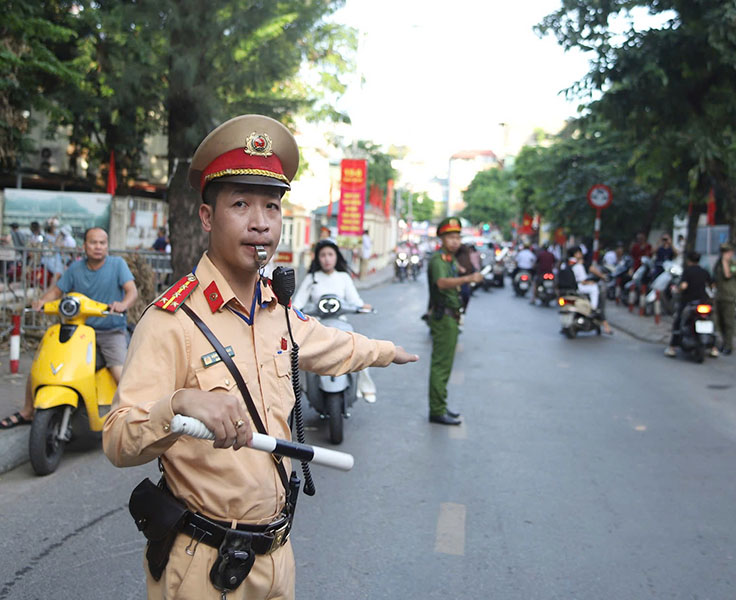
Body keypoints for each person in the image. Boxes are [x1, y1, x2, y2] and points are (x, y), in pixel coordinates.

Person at [102, 114, 418, 599]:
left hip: (276, 554)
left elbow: (330, 344)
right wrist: (181, 403)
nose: (260, 223)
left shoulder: (278, 310)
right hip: (203, 566)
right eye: (241, 204)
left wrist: (385, 351)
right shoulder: (173, 321)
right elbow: (119, 439)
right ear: (207, 217)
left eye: (272, 206)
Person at [0, 227, 138, 429]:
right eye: (93, 242)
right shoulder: (75, 268)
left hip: (110, 330)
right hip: (79, 330)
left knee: (119, 371)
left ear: (107, 245)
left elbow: (131, 291)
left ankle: (133, 415)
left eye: (102, 243)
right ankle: (28, 411)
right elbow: (56, 291)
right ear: (84, 246)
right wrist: (40, 302)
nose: (98, 247)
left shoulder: (118, 265)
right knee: (42, 366)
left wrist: (123, 304)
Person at [293, 238, 377, 402]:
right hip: (317, 325)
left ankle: (365, 387)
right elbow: (298, 303)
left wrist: (363, 306)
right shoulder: (312, 278)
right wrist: (292, 311)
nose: (326, 259)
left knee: (358, 347)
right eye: (322, 255)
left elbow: (355, 301)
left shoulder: (344, 277)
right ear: (317, 258)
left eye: (330, 254)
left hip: (341, 324)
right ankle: (301, 387)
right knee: (300, 353)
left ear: (336, 257)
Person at [427, 217, 482, 425]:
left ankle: (440, 406)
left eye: (458, 237)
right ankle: (437, 410)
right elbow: (441, 283)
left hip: (451, 316)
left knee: (445, 366)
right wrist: (467, 279)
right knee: (441, 366)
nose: (455, 241)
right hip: (444, 317)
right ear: (442, 238)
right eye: (450, 237)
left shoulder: (450, 259)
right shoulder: (438, 260)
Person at [665, 251, 716, 357]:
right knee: (710, 321)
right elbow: (712, 285)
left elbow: (683, 286)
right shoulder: (704, 271)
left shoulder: (687, 271)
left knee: (679, 321)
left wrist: (676, 289)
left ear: (689, 260)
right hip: (703, 302)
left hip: (689, 302)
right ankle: (714, 348)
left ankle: (672, 348)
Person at [567, 247, 613, 334]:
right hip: (580, 286)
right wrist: (591, 282)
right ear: (576, 254)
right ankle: (593, 308)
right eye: (579, 253)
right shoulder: (578, 265)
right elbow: (583, 279)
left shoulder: (569, 263)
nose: (580, 254)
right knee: (595, 289)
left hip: (573, 287)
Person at [713, 243, 736, 355]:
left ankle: (728, 345)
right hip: (719, 296)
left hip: (729, 296)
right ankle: (723, 342)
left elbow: (727, 275)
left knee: (728, 322)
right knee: (720, 322)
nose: (724, 255)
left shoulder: (733, 264)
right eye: (723, 252)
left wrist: (725, 261)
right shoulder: (718, 264)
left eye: (726, 252)